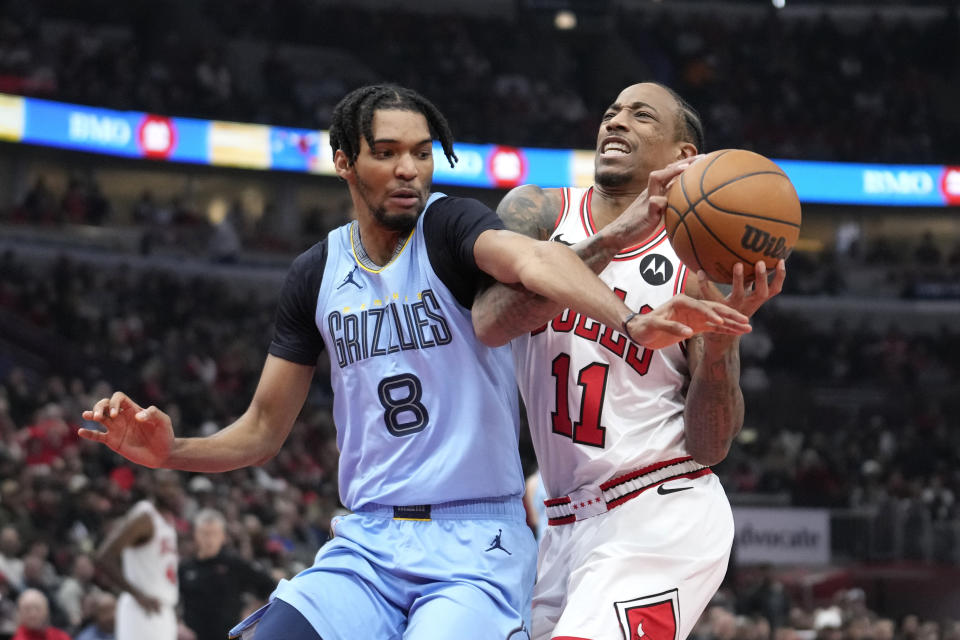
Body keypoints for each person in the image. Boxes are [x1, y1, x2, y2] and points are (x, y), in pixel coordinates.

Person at [78, 84, 749, 640]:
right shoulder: (317, 272)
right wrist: (169, 452)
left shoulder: (453, 225)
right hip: (377, 539)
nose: (408, 170)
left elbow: (535, 265)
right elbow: (259, 430)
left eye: (423, 154)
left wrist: (634, 320)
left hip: (483, 536)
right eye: (388, 153)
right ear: (344, 161)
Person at [472, 82, 787, 640]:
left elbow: (711, 446)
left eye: (642, 116)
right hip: (565, 523)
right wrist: (617, 236)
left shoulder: (697, 268)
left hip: (660, 508)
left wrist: (721, 342)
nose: (615, 121)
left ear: (683, 158)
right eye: (611, 111)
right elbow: (492, 322)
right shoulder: (538, 211)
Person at [92, 470, 181, 640]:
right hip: (141, 611)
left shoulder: (167, 520)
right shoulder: (144, 517)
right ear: (152, 487)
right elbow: (104, 556)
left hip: (161, 610)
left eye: (174, 485)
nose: (170, 490)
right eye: (164, 485)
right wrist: (138, 595)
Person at [178, 509, 275, 640]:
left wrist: (251, 612)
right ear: (195, 535)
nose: (209, 539)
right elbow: (172, 599)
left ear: (223, 536)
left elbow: (269, 586)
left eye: (214, 533)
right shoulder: (185, 568)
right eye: (204, 533)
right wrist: (178, 624)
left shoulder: (235, 563)